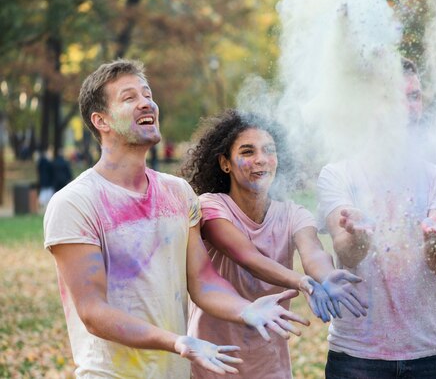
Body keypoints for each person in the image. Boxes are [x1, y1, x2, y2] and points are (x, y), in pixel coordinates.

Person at [43, 59, 308, 378]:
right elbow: (93, 312)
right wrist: (177, 341)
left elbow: (203, 281)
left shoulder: (178, 193)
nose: (146, 103)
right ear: (101, 121)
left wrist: (246, 309)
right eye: (129, 98)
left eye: (147, 94)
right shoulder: (74, 202)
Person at [317, 61, 436, 379]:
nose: (408, 108)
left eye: (414, 96)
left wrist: (435, 238)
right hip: (357, 357)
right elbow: (346, 253)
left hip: (426, 355)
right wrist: (361, 235)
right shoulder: (337, 175)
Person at [181, 110, 368, 379]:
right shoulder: (211, 205)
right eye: (247, 152)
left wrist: (325, 277)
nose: (261, 160)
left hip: (271, 367)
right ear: (225, 163)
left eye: (269, 150)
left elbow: (312, 251)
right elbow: (247, 257)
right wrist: (302, 282)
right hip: (213, 365)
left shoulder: (294, 214)